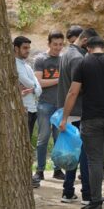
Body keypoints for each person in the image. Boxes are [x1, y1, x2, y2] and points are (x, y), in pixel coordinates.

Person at [59, 36, 104, 209]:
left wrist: (65, 118)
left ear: (88, 48)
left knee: (94, 161)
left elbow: (73, 93)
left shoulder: (83, 64)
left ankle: (95, 202)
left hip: (91, 119)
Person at [56, 28, 104, 205]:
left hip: (70, 111)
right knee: (86, 154)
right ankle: (88, 194)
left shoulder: (67, 53)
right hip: (78, 111)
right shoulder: (78, 58)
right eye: (89, 45)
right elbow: (78, 88)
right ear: (84, 41)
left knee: (74, 153)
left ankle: (68, 192)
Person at [32, 31, 65, 182]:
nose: (58, 48)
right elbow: (39, 82)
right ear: (48, 44)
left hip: (60, 105)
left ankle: (57, 169)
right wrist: (60, 79)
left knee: (58, 138)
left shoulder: (64, 59)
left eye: (60, 44)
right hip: (44, 104)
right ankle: (40, 170)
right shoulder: (40, 59)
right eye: (55, 44)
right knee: (43, 138)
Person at [14, 36, 42, 188]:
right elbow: (28, 82)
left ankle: (26, 176)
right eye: (24, 48)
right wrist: (34, 87)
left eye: (28, 48)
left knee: (27, 144)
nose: (27, 51)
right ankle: (24, 177)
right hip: (22, 109)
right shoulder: (14, 65)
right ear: (16, 48)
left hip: (32, 109)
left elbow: (38, 88)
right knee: (23, 145)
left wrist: (34, 89)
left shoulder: (27, 66)